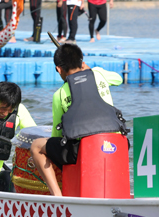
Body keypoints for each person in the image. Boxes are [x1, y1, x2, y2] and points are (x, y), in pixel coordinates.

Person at [29, 43, 125, 196]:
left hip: (84, 150)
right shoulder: (99, 74)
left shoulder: (59, 94)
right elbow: (119, 79)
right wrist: (90, 69)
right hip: (116, 143)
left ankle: (58, 197)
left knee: (36, 146)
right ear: (82, 62)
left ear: (58, 69)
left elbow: (57, 134)